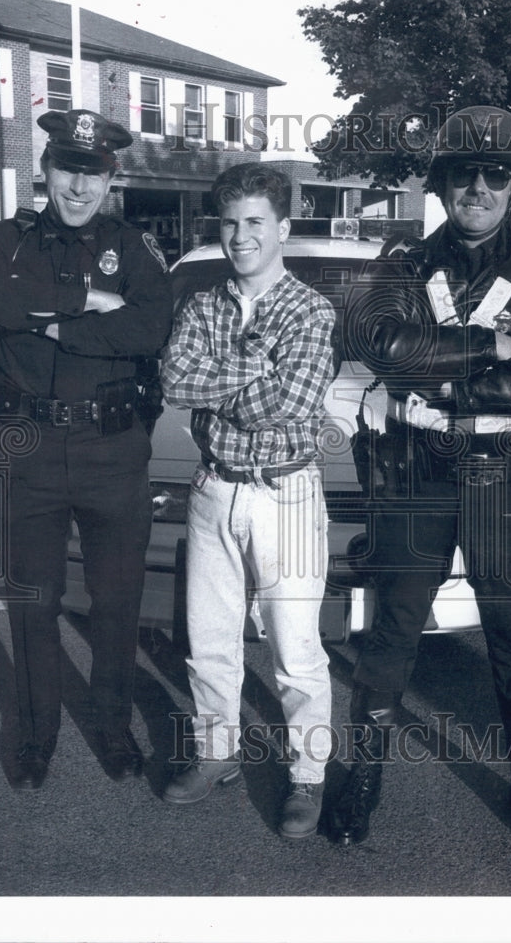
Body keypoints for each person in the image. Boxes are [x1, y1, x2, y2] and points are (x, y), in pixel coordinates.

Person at [330, 105, 511, 855]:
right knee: (389, 636)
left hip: (506, 482)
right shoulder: (403, 265)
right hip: (415, 475)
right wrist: (495, 345)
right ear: (442, 184)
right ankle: (363, 779)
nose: (477, 187)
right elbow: (380, 340)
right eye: (462, 173)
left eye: (495, 175)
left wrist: (452, 387)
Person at [0, 109, 173, 788]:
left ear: (111, 179)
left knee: (115, 604)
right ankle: (34, 735)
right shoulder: (5, 241)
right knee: (35, 601)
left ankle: (113, 729)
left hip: (113, 449)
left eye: (93, 173)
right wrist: (87, 300)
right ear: (45, 172)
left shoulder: (135, 248)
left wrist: (55, 324)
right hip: (29, 447)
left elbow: (148, 328)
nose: (78, 187)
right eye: (67, 170)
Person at [159, 163, 337, 839]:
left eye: (254, 222)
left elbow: (284, 406)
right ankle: (214, 753)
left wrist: (219, 380)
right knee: (208, 641)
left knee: (295, 650)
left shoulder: (310, 309)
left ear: (283, 227)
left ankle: (307, 777)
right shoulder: (203, 304)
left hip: (285, 494)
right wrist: (253, 364)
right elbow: (178, 380)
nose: (240, 236)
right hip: (212, 489)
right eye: (230, 223)